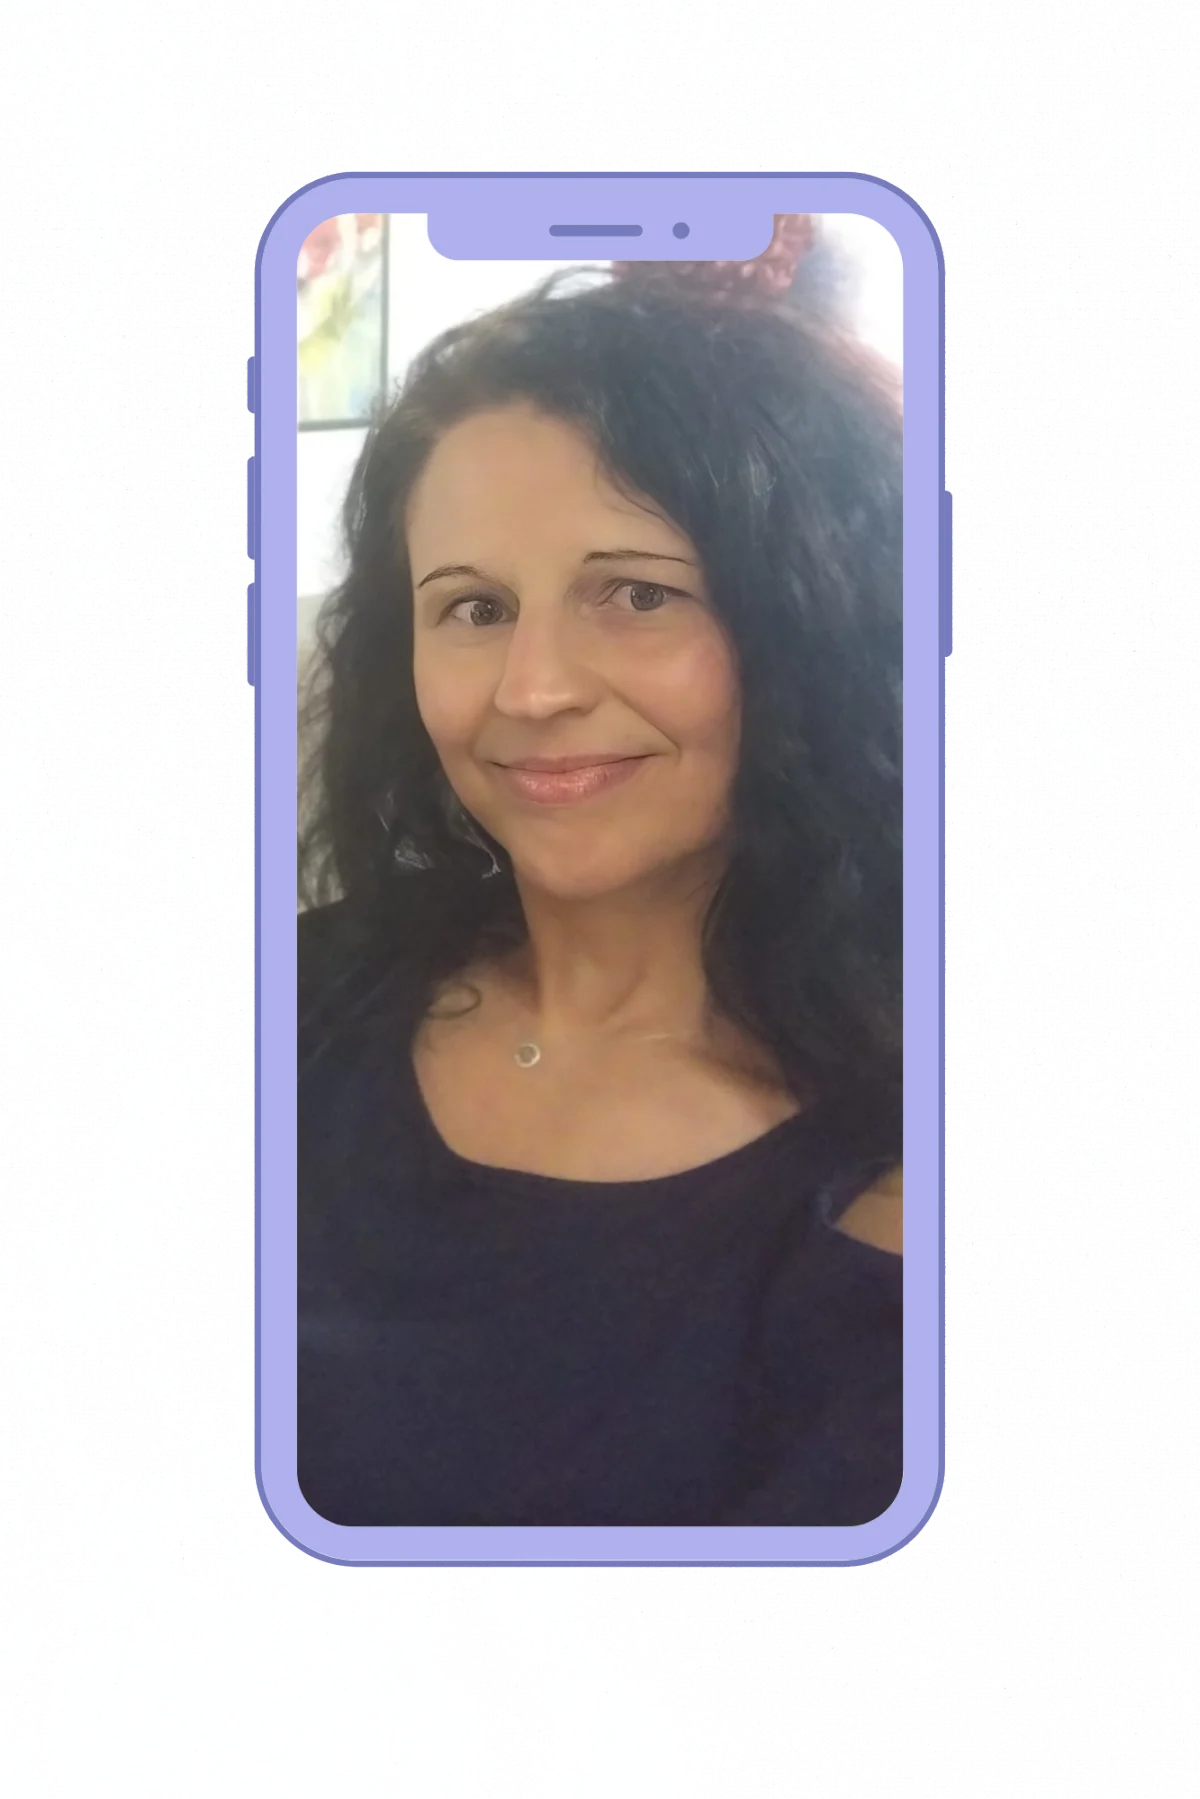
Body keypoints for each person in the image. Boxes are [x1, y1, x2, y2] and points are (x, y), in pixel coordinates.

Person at [297, 222, 904, 1527]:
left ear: (813, 626)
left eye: (635, 594)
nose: (533, 691)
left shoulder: (914, 1179)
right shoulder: (291, 994)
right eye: (474, 608)